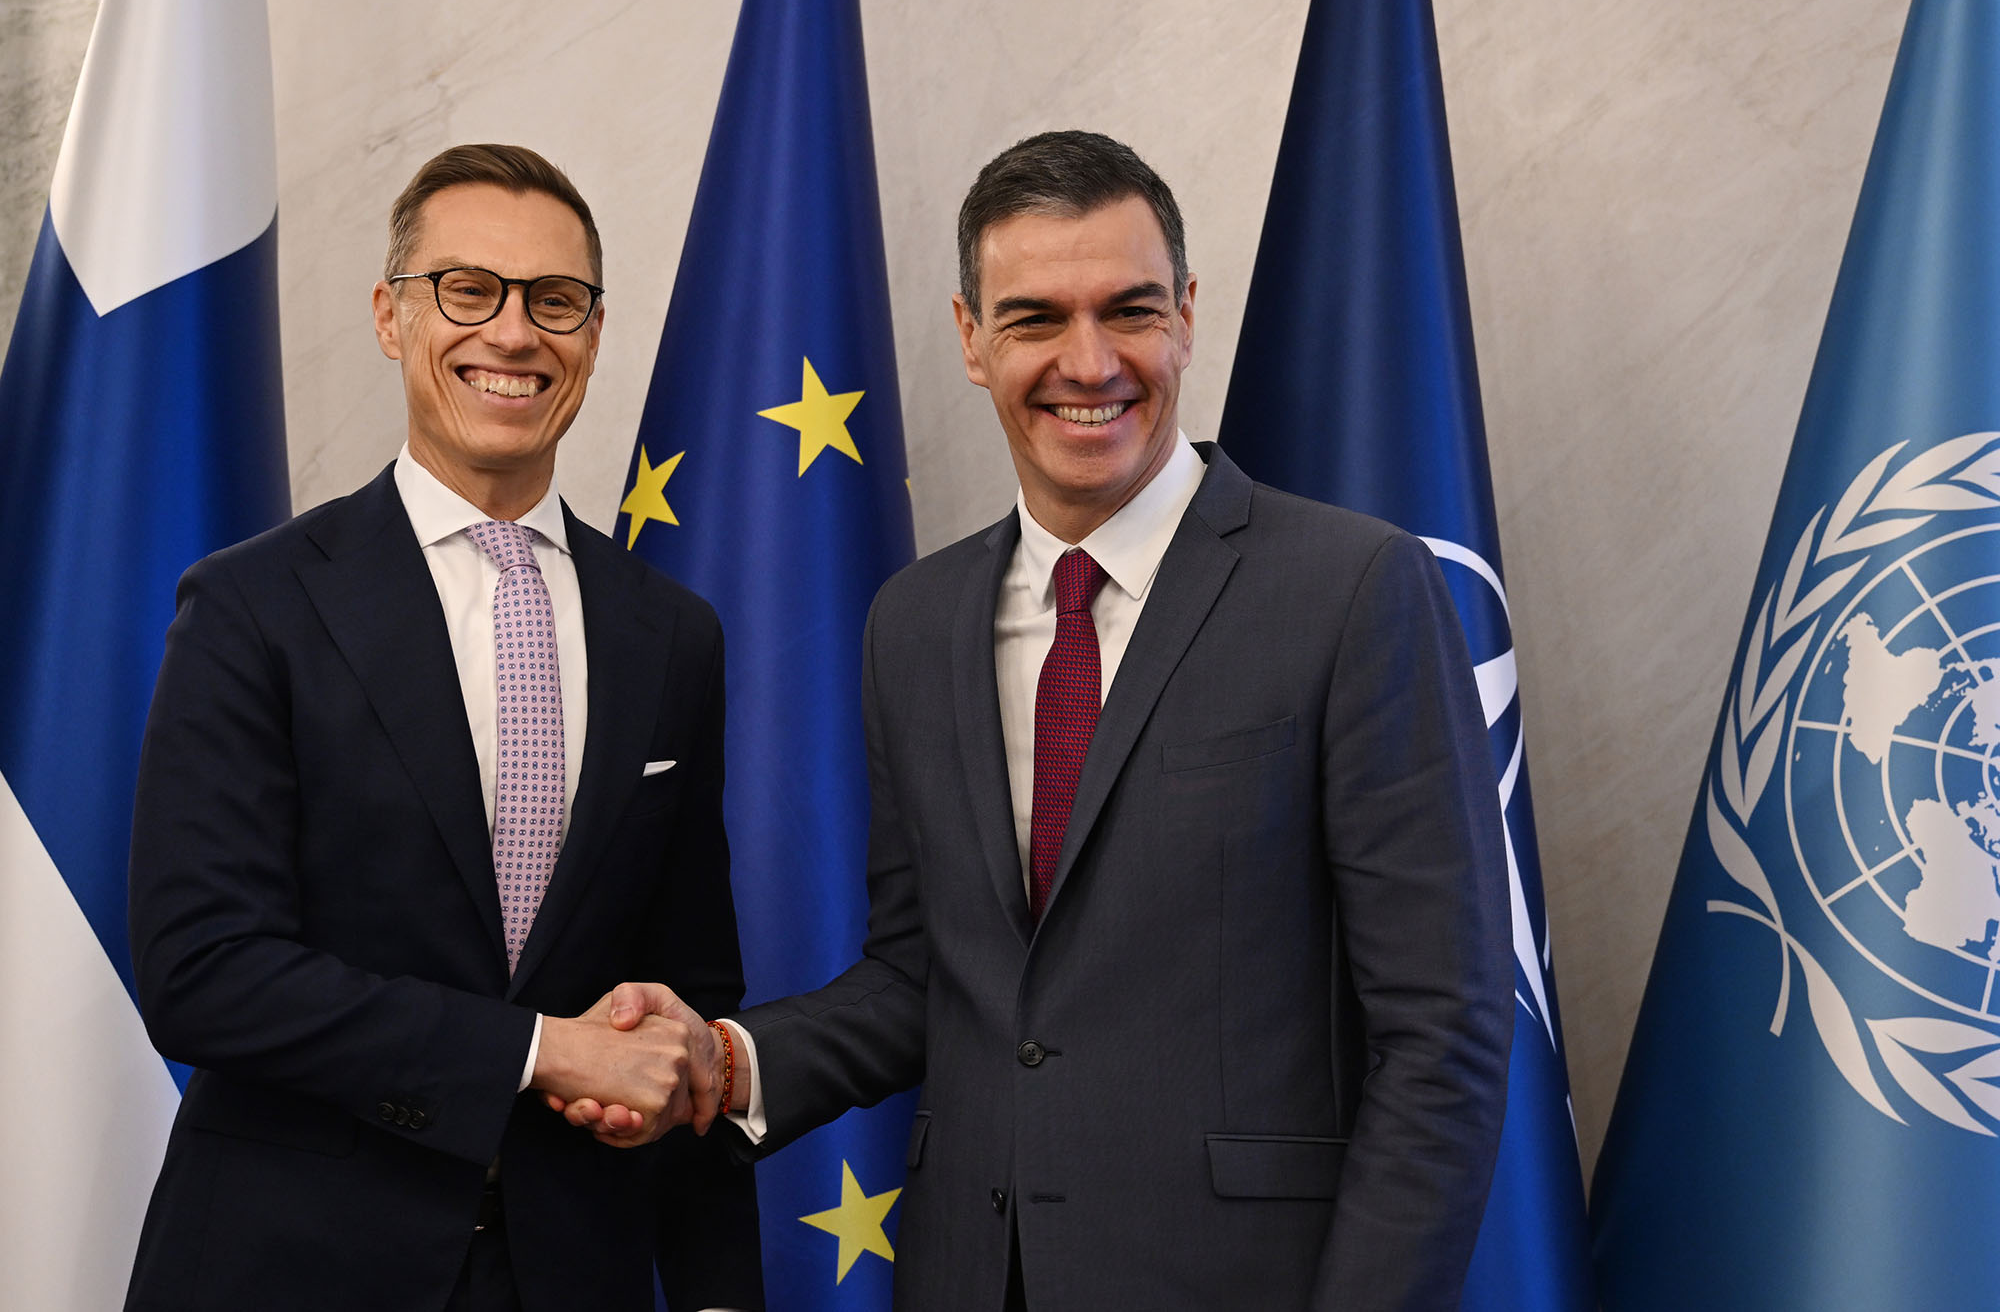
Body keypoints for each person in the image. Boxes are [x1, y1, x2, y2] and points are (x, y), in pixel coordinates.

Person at [573, 129, 1513, 1309]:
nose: (1088, 360)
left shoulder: (1352, 588)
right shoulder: (912, 623)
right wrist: (724, 1060)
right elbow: (929, 976)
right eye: (1032, 318)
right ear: (970, 339)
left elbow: (1444, 1034)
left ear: (1185, 314)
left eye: (1127, 309)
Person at [124, 144, 761, 1312]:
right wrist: (536, 1049)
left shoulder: (671, 635)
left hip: (574, 1272)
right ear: (388, 314)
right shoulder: (253, 604)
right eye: (468, 290)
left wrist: (719, 1293)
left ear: (595, 331)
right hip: (287, 1270)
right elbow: (202, 972)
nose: (513, 334)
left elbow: (680, 1003)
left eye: (554, 300)